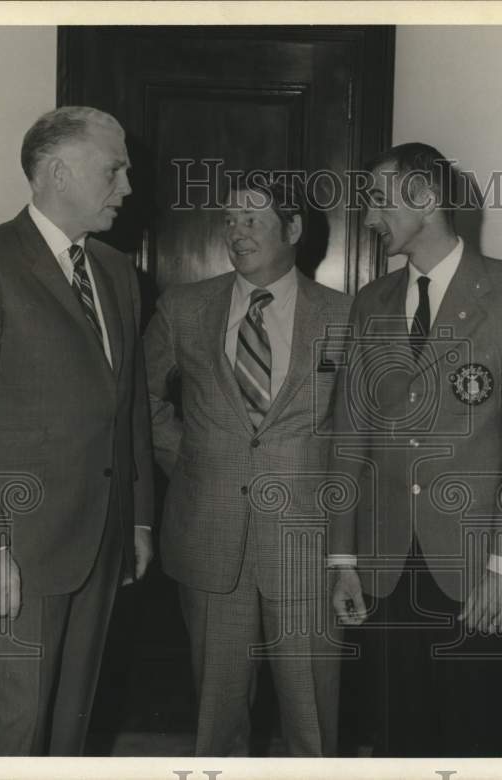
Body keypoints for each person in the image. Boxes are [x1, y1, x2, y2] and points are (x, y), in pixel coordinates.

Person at [0, 106, 154, 755]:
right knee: (14, 731)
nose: (128, 187)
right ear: (58, 172)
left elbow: (126, 406)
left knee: (70, 733)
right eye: (115, 170)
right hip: (15, 553)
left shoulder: (116, 273)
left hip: (101, 543)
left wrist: (137, 520)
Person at [328, 143, 502, 756]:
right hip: (384, 566)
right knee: (395, 736)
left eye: (380, 202)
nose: (370, 218)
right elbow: (350, 436)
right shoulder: (371, 301)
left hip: (474, 567)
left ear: (426, 200)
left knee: (472, 735)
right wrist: (342, 558)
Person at [144, 174, 351, 756]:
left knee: (312, 724)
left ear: (293, 228)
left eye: (252, 219)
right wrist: (190, 457)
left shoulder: (344, 316)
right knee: (216, 722)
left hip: (305, 547)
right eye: (230, 220)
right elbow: (142, 399)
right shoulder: (184, 307)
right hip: (210, 540)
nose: (236, 232)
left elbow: (360, 433)